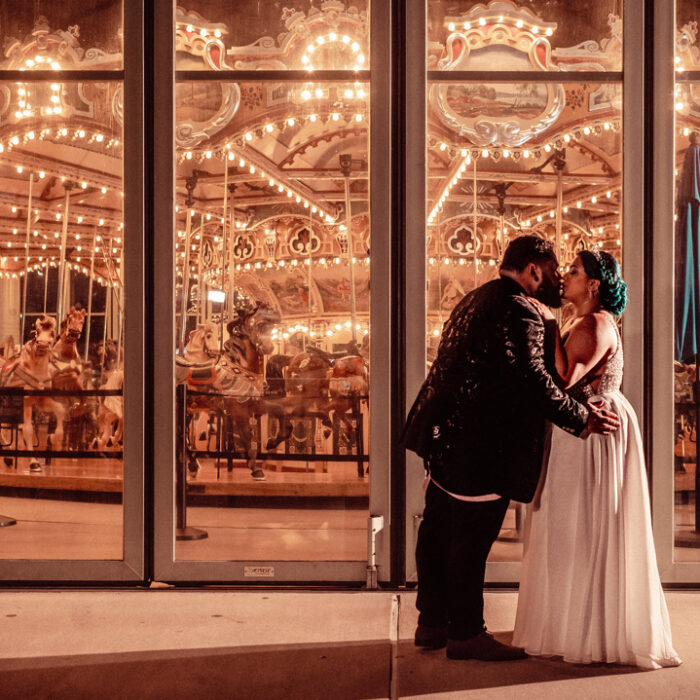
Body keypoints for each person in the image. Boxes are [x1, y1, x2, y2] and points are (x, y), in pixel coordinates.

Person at [401, 236, 620, 661]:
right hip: (479, 443)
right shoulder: (520, 309)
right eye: (555, 271)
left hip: (443, 435)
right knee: (471, 537)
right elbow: (531, 378)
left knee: (438, 528)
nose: (557, 280)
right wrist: (581, 419)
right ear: (534, 270)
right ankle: (466, 632)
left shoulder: (475, 297)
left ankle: (431, 622)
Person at [512, 251, 682, 669]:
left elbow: (564, 378)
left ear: (593, 285)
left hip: (589, 432)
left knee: (580, 524)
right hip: (582, 425)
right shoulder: (584, 322)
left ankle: (586, 627)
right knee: (579, 523)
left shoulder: (593, 323)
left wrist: (546, 325)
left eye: (573, 271)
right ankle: (575, 621)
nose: (565, 277)